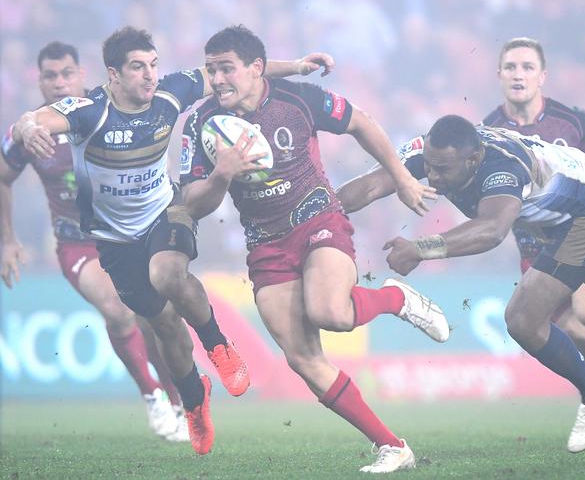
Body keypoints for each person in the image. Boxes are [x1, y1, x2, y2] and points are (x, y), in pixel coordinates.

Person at [11, 26, 334, 456]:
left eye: (153, 65)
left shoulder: (169, 93)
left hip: (167, 212)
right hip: (113, 239)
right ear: (113, 74)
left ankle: (218, 344)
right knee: (163, 323)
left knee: (168, 272)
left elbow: (234, 76)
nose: (149, 76)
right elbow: (32, 120)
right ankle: (194, 401)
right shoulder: (89, 111)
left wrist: (296, 66)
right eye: (138, 68)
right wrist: (26, 129)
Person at [180, 25, 447, 473]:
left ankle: (393, 298)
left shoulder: (297, 98)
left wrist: (402, 176)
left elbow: (361, 122)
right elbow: (193, 204)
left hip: (316, 218)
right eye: (210, 70)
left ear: (255, 69)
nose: (217, 79)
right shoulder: (200, 122)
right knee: (303, 359)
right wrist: (222, 174)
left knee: (332, 313)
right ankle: (392, 446)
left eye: (226, 68)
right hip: (264, 243)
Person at [336, 115, 585, 459]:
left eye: (443, 170)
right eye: (429, 167)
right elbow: (371, 184)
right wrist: (317, 213)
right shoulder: (432, 150)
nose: (434, 177)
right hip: (568, 211)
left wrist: (419, 248)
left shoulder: (501, 170)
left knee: (522, 320)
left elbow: (492, 230)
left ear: (473, 160)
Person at [0, 41, 188, 442]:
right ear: (40, 81)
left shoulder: (104, 111)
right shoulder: (34, 132)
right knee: (117, 311)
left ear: (83, 75)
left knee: (154, 319)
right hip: (78, 243)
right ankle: (152, 394)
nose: (59, 82)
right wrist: (7, 240)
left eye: (67, 73)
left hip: (130, 236)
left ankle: (176, 398)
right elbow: (3, 173)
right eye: (50, 76)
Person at [482, 37, 585, 448]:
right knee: (571, 342)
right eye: (510, 67)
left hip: (583, 233)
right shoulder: (487, 132)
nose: (518, 74)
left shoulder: (570, 122)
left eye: (526, 67)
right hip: (534, 251)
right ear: (499, 75)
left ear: (543, 76)